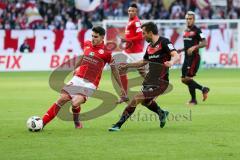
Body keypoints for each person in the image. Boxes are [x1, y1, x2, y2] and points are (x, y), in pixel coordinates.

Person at [41, 26, 126, 129]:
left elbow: (114, 70)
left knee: (75, 102)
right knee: (62, 99)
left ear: (102, 37)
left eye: (96, 36)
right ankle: (42, 123)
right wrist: (74, 69)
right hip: (78, 78)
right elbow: (83, 57)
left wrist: (121, 88)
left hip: (90, 83)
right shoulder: (87, 44)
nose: (93, 39)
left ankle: (76, 121)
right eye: (92, 36)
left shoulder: (107, 53)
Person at [109, 22, 179, 131]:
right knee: (146, 102)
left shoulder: (164, 42)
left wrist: (171, 62)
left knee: (136, 98)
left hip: (161, 82)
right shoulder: (149, 47)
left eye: (144, 33)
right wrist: (127, 65)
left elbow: (176, 55)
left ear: (151, 33)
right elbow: (143, 62)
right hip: (150, 80)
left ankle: (118, 125)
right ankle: (162, 113)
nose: (143, 35)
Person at [115, 3, 145, 103]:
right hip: (128, 51)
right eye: (129, 11)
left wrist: (127, 40)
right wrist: (126, 41)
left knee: (142, 72)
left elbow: (141, 36)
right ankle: (124, 95)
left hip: (136, 52)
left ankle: (155, 85)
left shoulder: (136, 22)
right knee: (121, 69)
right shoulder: (130, 21)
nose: (130, 12)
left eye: (132, 11)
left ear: (136, 12)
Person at [178, 11, 210, 105]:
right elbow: (188, 45)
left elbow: (205, 43)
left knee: (188, 78)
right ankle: (203, 89)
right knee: (184, 79)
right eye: (187, 19)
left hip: (194, 58)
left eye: (190, 19)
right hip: (186, 57)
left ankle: (194, 99)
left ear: (194, 20)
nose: (188, 20)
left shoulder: (197, 30)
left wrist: (195, 47)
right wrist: (181, 49)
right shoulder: (185, 30)